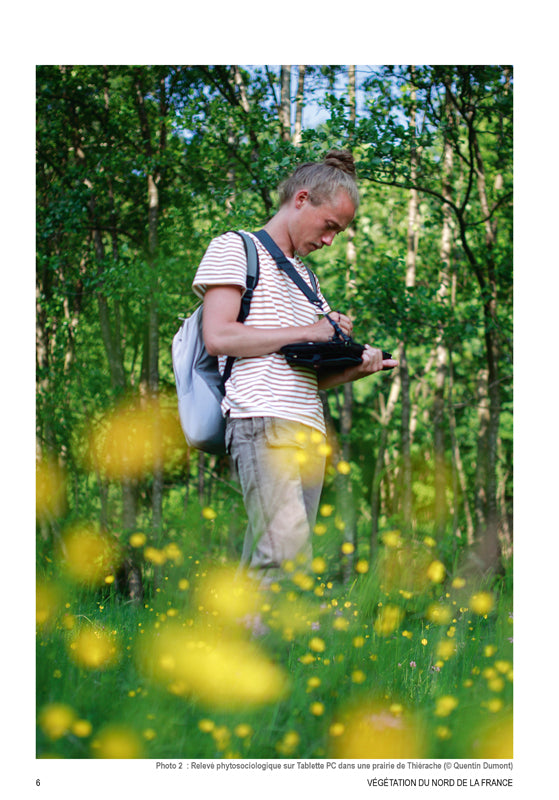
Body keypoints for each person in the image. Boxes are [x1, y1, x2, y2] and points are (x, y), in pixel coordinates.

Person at [192, 150, 397, 584]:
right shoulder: (236, 247)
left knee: (269, 558)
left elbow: (305, 372)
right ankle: (271, 651)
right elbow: (220, 336)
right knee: (285, 556)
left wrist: (354, 366)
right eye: (330, 227)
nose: (330, 241)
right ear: (301, 200)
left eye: (338, 233)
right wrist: (312, 330)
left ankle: (228, 647)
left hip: (308, 429)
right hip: (262, 420)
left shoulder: (308, 280)